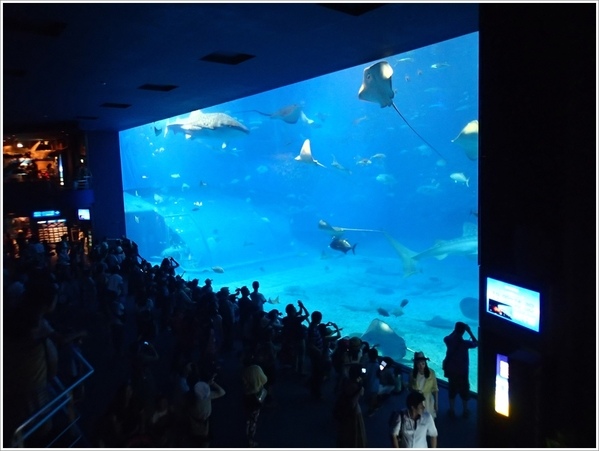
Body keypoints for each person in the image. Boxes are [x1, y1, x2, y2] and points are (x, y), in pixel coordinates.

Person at [443, 321, 478, 418]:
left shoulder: (449, 340)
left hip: (451, 371)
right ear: (463, 332)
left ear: (455, 329)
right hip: (463, 372)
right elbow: (476, 343)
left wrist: (455, 331)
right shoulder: (465, 344)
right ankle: (465, 410)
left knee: (452, 390)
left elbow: (446, 338)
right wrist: (469, 331)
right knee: (464, 391)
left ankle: (452, 410)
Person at [335, 363, 367, 447]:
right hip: (354, 411)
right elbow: (359, 397)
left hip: (343, 407)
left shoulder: (345, 380)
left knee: (343, 430)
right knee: (354, 431)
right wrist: (361, 381)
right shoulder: (358, 387)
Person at [409, 351, 439, 418]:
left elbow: (435, 389)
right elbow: (410, 387)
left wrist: (436, 404)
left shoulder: (432, 373)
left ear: (425, 363)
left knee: (428, 418)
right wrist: (415, 391)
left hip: (428, 400)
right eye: (418, 364)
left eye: (423, 363)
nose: (421, 366)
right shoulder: (412, 374)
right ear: (416, 364)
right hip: (417, 400)